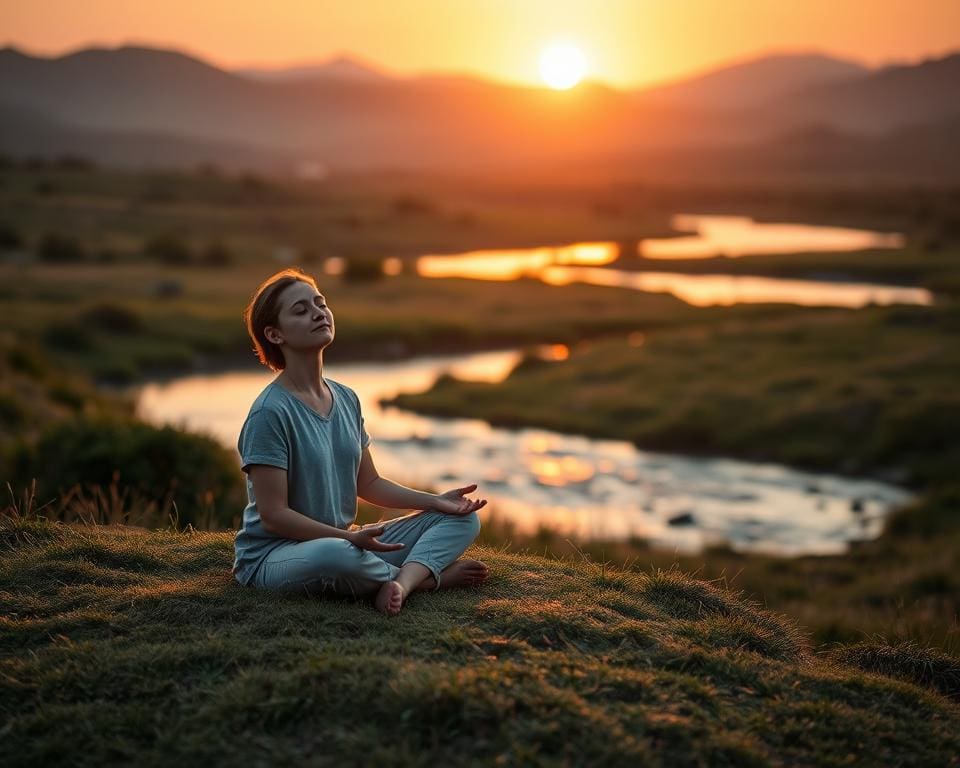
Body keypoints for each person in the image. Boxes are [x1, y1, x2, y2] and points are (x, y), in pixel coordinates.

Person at [232, 268, 489, 616]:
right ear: (274, 334)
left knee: (463, 520)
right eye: (301, 310)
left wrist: (436, 501)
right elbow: (274, 516)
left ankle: (401, 584)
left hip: (347, 541)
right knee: (334, 555)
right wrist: (348, 539)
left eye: (320, 303)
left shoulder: (346, 398)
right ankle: (429, 580)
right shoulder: (270, 412)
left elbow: (369, 484)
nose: (318, 313)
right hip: (276, 556)